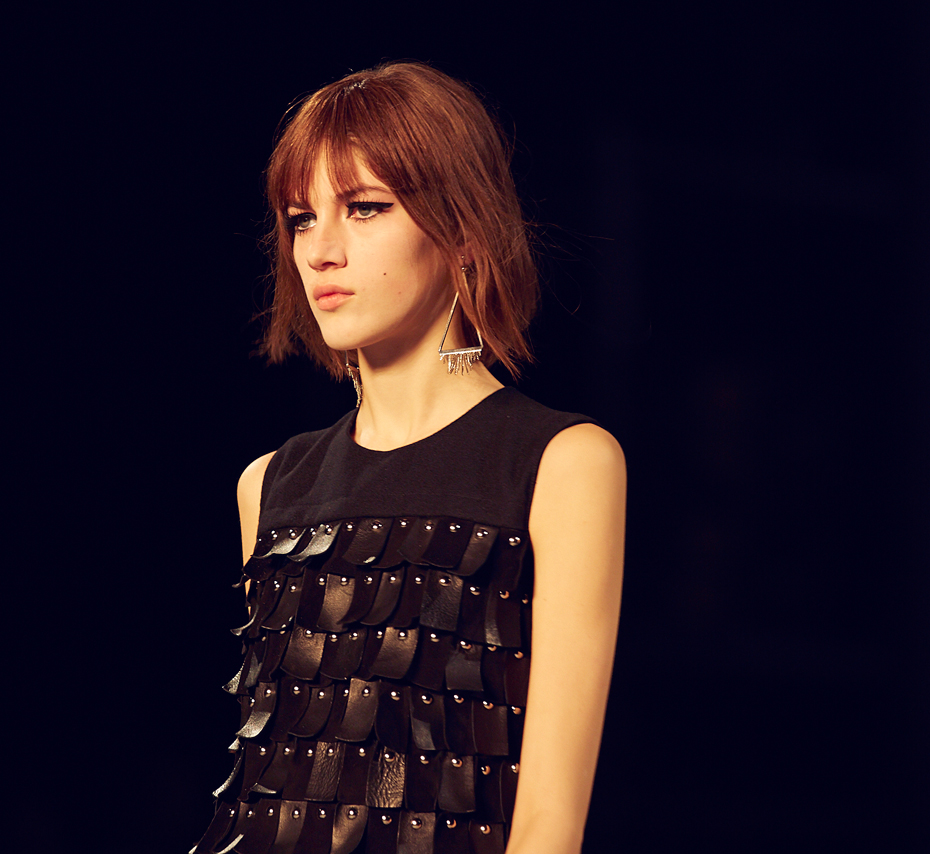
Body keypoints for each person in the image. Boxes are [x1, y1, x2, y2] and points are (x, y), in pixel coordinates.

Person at [192, 61, 624, 854]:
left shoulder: (562, 464)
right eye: (301, 219)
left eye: (364, 208)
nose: (321, 251)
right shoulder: (271, 484)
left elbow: (549, 824)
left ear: (462, 229)